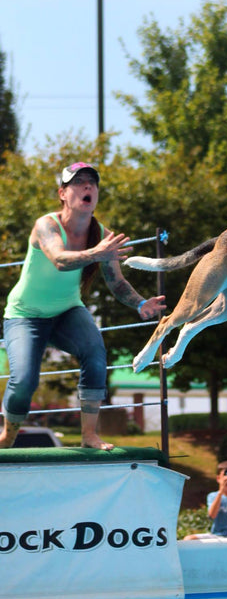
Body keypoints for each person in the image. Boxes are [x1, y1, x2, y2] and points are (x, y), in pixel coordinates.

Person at [0, 162, 166, 451]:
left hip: (66, 312)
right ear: (63, 193)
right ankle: (8, 435)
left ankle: (89, 436)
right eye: (79, 182)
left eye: (92, 182)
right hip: (24, 315)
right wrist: (96, 253)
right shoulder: (47, 225)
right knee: (25, 378)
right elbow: (60, 260)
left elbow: (116, 283)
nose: (88, 187)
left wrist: (140, 302)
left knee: (95, 353)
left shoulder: (102, 235)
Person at [184, 460, 227, 539]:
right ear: (218, 478)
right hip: (217, 534)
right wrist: (221, 491)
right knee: (189, 539)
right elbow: (212, 515)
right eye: (225, 475)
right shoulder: (213, 496)